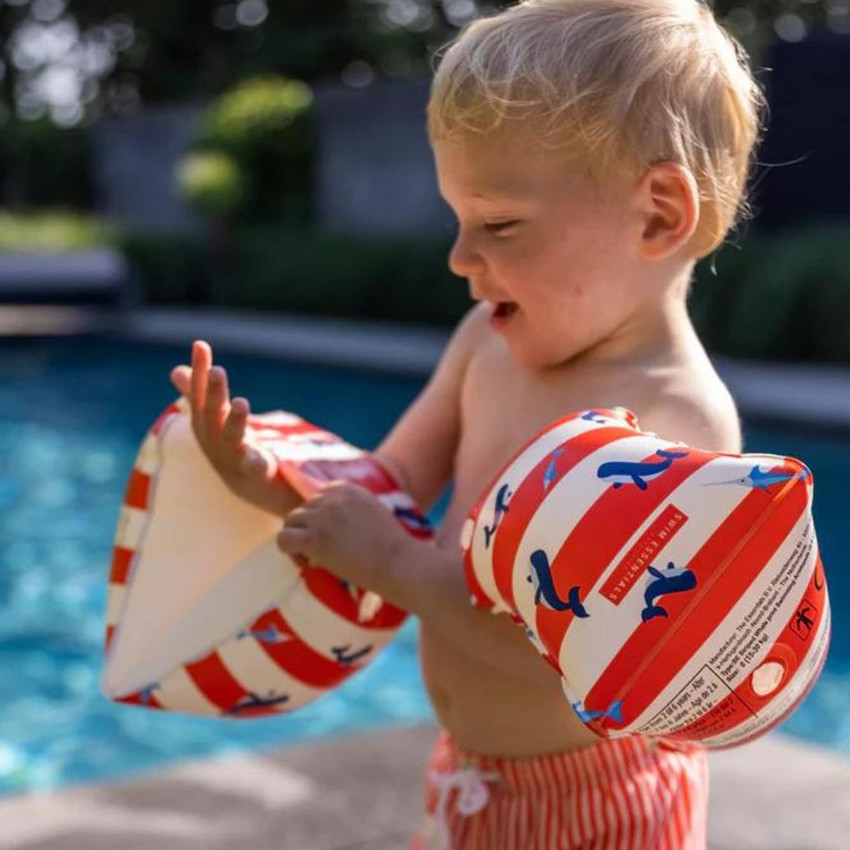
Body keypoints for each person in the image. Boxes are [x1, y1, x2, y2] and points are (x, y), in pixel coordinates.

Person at [170, 1, 766, 846]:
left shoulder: (676, 426)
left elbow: (593, 664)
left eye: (500, 224)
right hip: (468, 780)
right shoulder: (483, 346)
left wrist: (399, 568)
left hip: (605, 808)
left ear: (659, 214)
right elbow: (387, 487)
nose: (460, 257)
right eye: (459, 220)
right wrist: (265, 480)